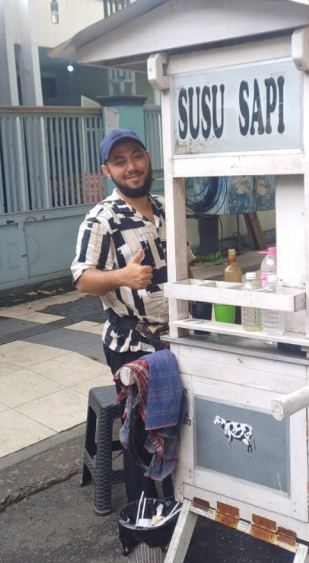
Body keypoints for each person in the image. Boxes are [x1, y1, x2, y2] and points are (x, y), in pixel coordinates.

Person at [71, 129, 191, 503]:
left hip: (178, 335)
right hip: (133, 342)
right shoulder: (101, 219)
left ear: (148, 157)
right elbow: (81, 277)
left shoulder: (166, 208)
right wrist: (122, 277)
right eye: (120, 162)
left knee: (182, 423)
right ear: (107, 171)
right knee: (141, 438)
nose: (132, 167)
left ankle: (183, 502)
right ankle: (146, 524)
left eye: (136, 156)